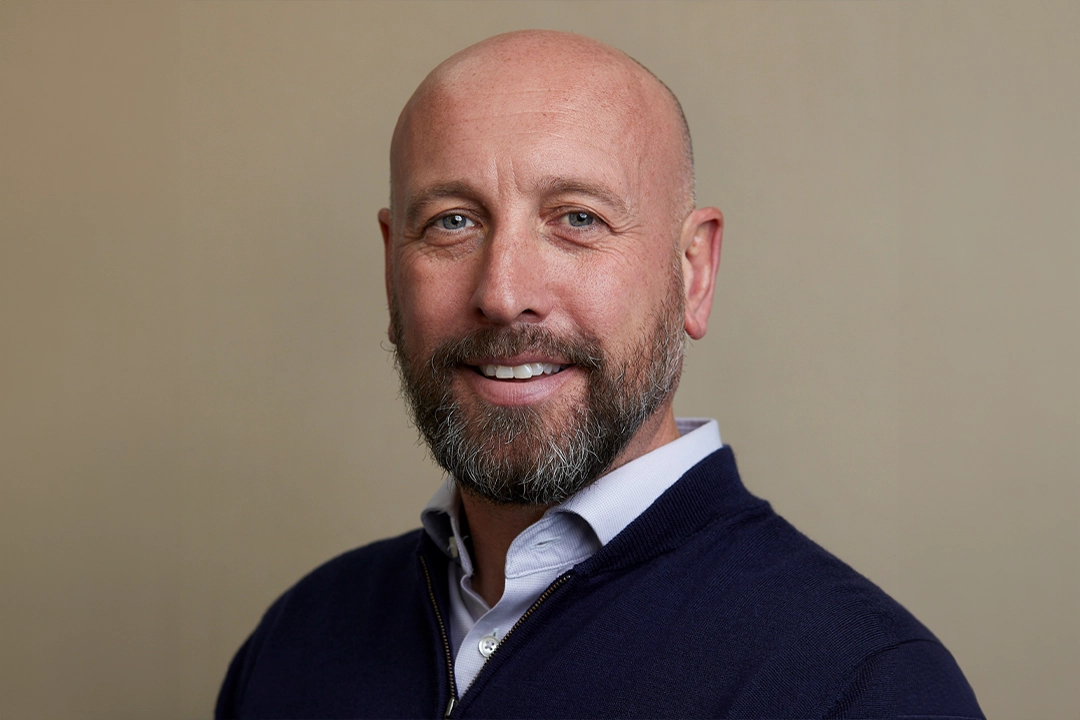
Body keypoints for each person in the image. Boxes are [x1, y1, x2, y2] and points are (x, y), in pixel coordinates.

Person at [216, 31, 984, 719]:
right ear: (391, 271)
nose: (503, 293)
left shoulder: (861, 688)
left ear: (694, 271)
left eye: (578, 218)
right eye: (452, 221)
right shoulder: (297, 641)